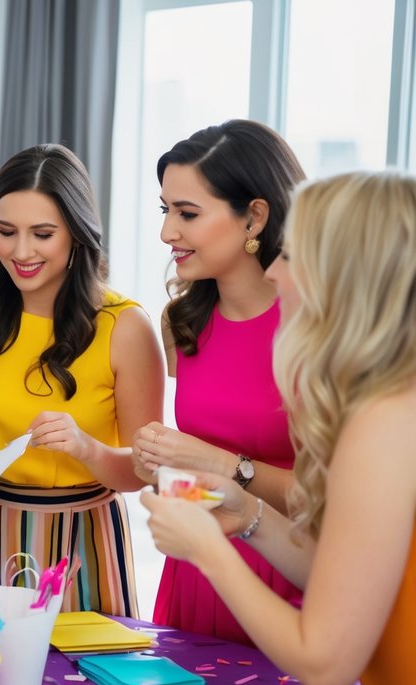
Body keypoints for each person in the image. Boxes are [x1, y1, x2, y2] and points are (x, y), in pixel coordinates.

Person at [142, 170, 416, 685]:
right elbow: (356, 578)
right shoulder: (386, 406)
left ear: (342, 276)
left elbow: (323, 663)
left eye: (293, 254)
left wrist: (206, 547)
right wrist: (248, 516)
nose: (273, 273)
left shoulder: (384, 424)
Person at [0, 144, 164, 615]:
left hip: (84, 540)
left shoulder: (126, 327)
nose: (21, 252)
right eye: (6, 232)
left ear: (77, 235)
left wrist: (87, 448)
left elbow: (146, 470)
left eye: (42, 234)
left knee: (86, 681)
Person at [132, 121, 306, 644]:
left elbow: (336, 503)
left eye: (187, 213)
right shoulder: (180, 323)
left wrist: (227, 467)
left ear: (254, 216)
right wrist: (156, 462)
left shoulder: (316, 333)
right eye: (166, 211)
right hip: (195, 576)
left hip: (291, 577)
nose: (167, 233)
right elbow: (188, 469)